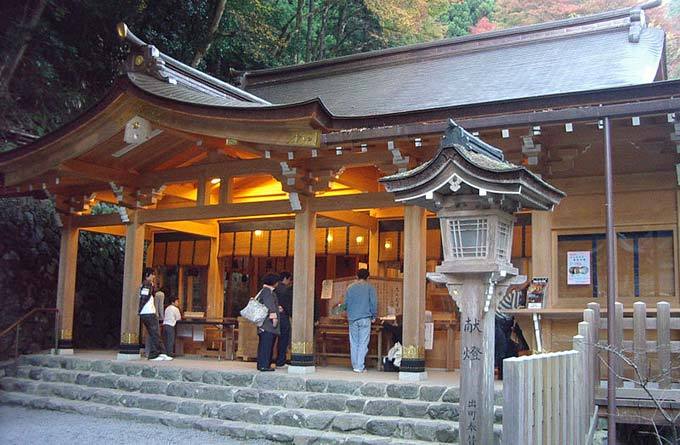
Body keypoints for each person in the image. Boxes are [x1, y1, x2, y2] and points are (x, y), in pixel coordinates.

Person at [344, 269, 377, 373]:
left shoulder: (350, 288)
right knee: (363, 342)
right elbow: (373, 303)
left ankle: (355, 365)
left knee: (354, 342)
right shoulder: (370, 288)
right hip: (365, 318)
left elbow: (346, 304)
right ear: (368, 277)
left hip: (352, 318)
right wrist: (373, 316)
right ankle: (359, 366)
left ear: (356, 276)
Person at [494, 281, 530, 379]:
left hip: (506, 321)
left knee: (506, 348)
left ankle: (503, 374)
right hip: (499, 319)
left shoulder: (520, 295)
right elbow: (515, 309)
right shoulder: (516, 294)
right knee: (502, 347)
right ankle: (499, 372)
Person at [138, 268, 171, 361]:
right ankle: (154, 354)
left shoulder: (147, 284)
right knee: (155, 333)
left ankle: (161, 352)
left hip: (147, 312)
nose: (154, 276)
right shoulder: (147, 284)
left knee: (154, 333)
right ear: (148, 274)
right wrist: (141, 309)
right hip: (148, 312)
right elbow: (144, 297)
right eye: (152, 274)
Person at [255, 273, 281, 371]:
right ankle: (264, 365)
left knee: (264, 344)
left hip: (263, 324)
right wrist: (274, 318)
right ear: (274, 282)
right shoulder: (267, 292)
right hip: (267, 324)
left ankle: (262, 364)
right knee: (267, 344)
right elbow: (269, 305)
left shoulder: (264, 291)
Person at [274, 271, 293, 367]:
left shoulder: (274, 288)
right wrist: (291, 314)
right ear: (285, 278)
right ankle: (280, 361)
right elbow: (288, 305)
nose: (289, 282)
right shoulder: (286, 290)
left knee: (272, 340)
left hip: (273, 316)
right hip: (283, 317)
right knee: (283, 339)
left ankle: (270, 360)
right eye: (289, 279)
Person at [145, 289, 165, 357]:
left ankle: (147, 351)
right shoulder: (160, 294)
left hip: (147, 314)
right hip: (154, 315)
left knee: (149, 333)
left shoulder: (151, 295)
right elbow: (160, 307)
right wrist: (162, 317)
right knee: (155, 334)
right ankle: (156, 352)